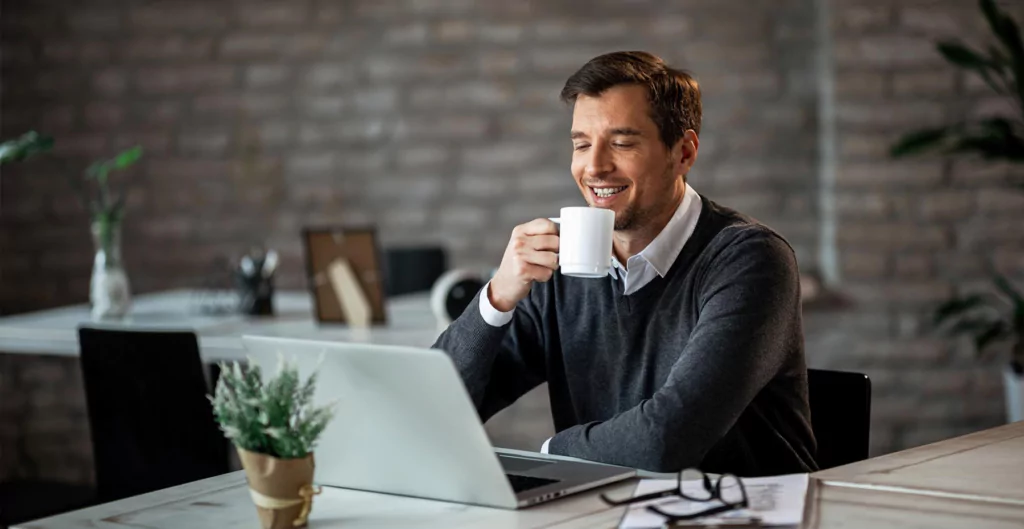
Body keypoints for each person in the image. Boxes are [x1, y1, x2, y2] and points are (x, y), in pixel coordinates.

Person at [432, 51, 817, 476]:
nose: (594, 166)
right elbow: (431, 409)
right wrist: (498, 298)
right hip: (608, 509)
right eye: (581, 144)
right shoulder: (559, 264)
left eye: (622, 142)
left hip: (744, 515)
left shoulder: (750, 259)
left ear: (684, 153)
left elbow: (666, 440)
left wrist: (550, 454)